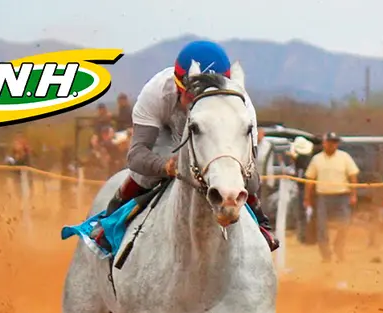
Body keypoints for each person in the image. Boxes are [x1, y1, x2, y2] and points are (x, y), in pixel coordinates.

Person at [91, 39, 279, 251]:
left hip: (211, 136)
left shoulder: (240, 105)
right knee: (145, 174)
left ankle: (262, 223)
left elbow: (250, 166)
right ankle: (111, 220)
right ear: (178, 85)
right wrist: (165, 166)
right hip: (168, 130)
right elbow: (136, 156)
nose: (193, 105)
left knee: (250, 182)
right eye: (190, 96)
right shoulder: (156, 92)